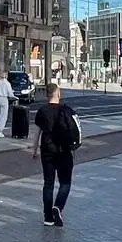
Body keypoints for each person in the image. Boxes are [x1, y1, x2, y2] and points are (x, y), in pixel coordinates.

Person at [31, 80, 81, 227]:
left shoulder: (42, 111)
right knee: (65, 183)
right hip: (64, 151)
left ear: (47, 95)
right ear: (58, 94)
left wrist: (35, 150)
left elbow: (37, 133)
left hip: (47, 151)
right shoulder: (66, 110)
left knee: (48, 183)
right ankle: (58, 207)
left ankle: (48, 218)